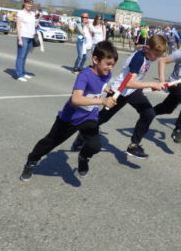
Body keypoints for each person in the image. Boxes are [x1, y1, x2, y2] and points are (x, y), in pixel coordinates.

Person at [19, 42, 118, 181]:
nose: (110, 68)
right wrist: (102, 101)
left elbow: (101, 84)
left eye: (113, 64)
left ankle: (83, 157)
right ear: (95, 60)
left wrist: (106, 90)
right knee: (49, 142)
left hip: (89, 116)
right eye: (108, 64)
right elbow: (76, 100)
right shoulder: (84, 75)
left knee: (95, 146)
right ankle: (31, 161)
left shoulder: (107, 74)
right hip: (70, 118)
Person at [70, 35, 168, 159]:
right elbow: (128, 83)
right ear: (148, 48)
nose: (156, 58)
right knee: (102, 118)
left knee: (149, 113)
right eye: (155, 54)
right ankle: (83, 133)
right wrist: (153, 84)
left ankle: (134, 146)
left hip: (132, 91)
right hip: (119, 92)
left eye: (159, 55)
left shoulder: (147, 54)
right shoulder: (139, 58)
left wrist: (158, 83)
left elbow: (133, 83)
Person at [15, 0, 37, 82]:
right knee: (20, 56)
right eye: (28, 3)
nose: (29, 5)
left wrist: (39, 18)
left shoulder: (32, 14)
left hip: (30, 37)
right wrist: (19, 39)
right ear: (24, 3)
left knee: (25, 56)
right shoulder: (20, 13)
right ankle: (18, 74)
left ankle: (23, 73)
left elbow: (34, 25)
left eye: (31, 3)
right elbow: (18, 26)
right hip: (23, 37)